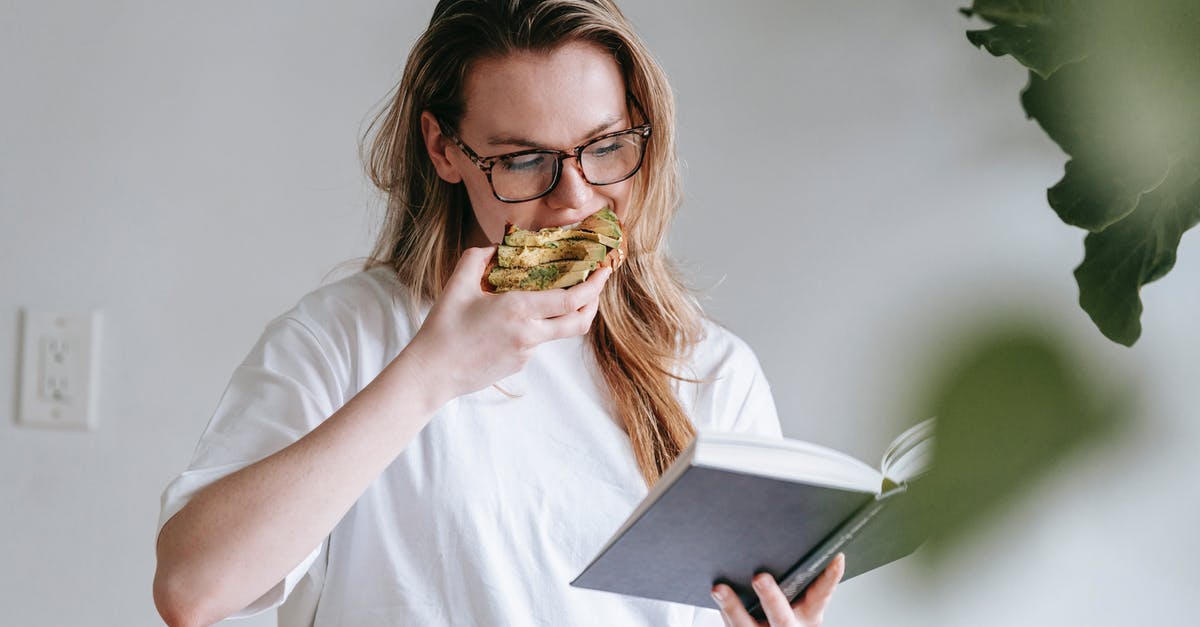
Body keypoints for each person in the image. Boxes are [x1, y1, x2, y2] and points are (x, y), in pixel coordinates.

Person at [152, 1, 844, 625]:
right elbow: (192, 589)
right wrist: (430, 373)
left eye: (606, 147)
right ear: (444, 149)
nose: (574, 196)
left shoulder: (713, 370)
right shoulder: (344, 339)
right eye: (524, 160)